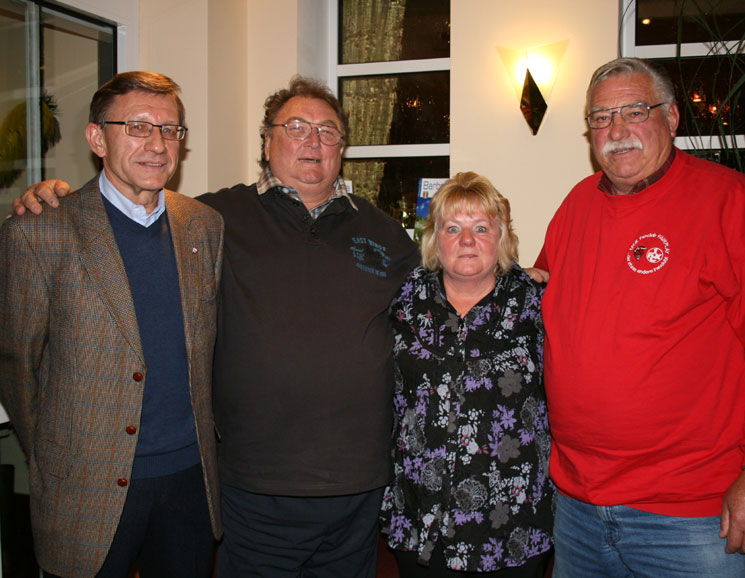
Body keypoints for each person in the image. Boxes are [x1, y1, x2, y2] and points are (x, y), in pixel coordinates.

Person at [16, 75, 421, 577]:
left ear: (343, 148)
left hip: (357, 482)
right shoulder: (215, 218)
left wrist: (518, 276)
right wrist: (51, 195)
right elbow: (20, 364)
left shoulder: (384, 231)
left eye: (328, 131)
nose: (314, 141)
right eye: (296, 127)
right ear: (267, 141)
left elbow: (444, 299)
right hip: (252, 485)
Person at [534, 57, 745, 577]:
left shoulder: (736, 206)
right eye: (601, 117)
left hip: (691, 515)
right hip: (578, 506)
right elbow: (539, 296)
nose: (616, 131)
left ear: (672, 118)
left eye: (634, 111)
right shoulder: (576, 207)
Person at [0, 71, 224, 578]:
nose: (157, 144)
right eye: (138, 127)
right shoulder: (40, 230)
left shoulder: (203, 225)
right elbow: (17, 364)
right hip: (87, 486)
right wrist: (60, 455)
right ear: (98, 138)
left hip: (190, 481)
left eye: (170, 130)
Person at [381, 172, 553, 578]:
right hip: (421, 517)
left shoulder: (538, 303)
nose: (467, 240)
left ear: (502, 238)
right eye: (452, 228)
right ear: (434, 239)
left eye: (481, 227)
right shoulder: (402, 300)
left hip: (512, 521)